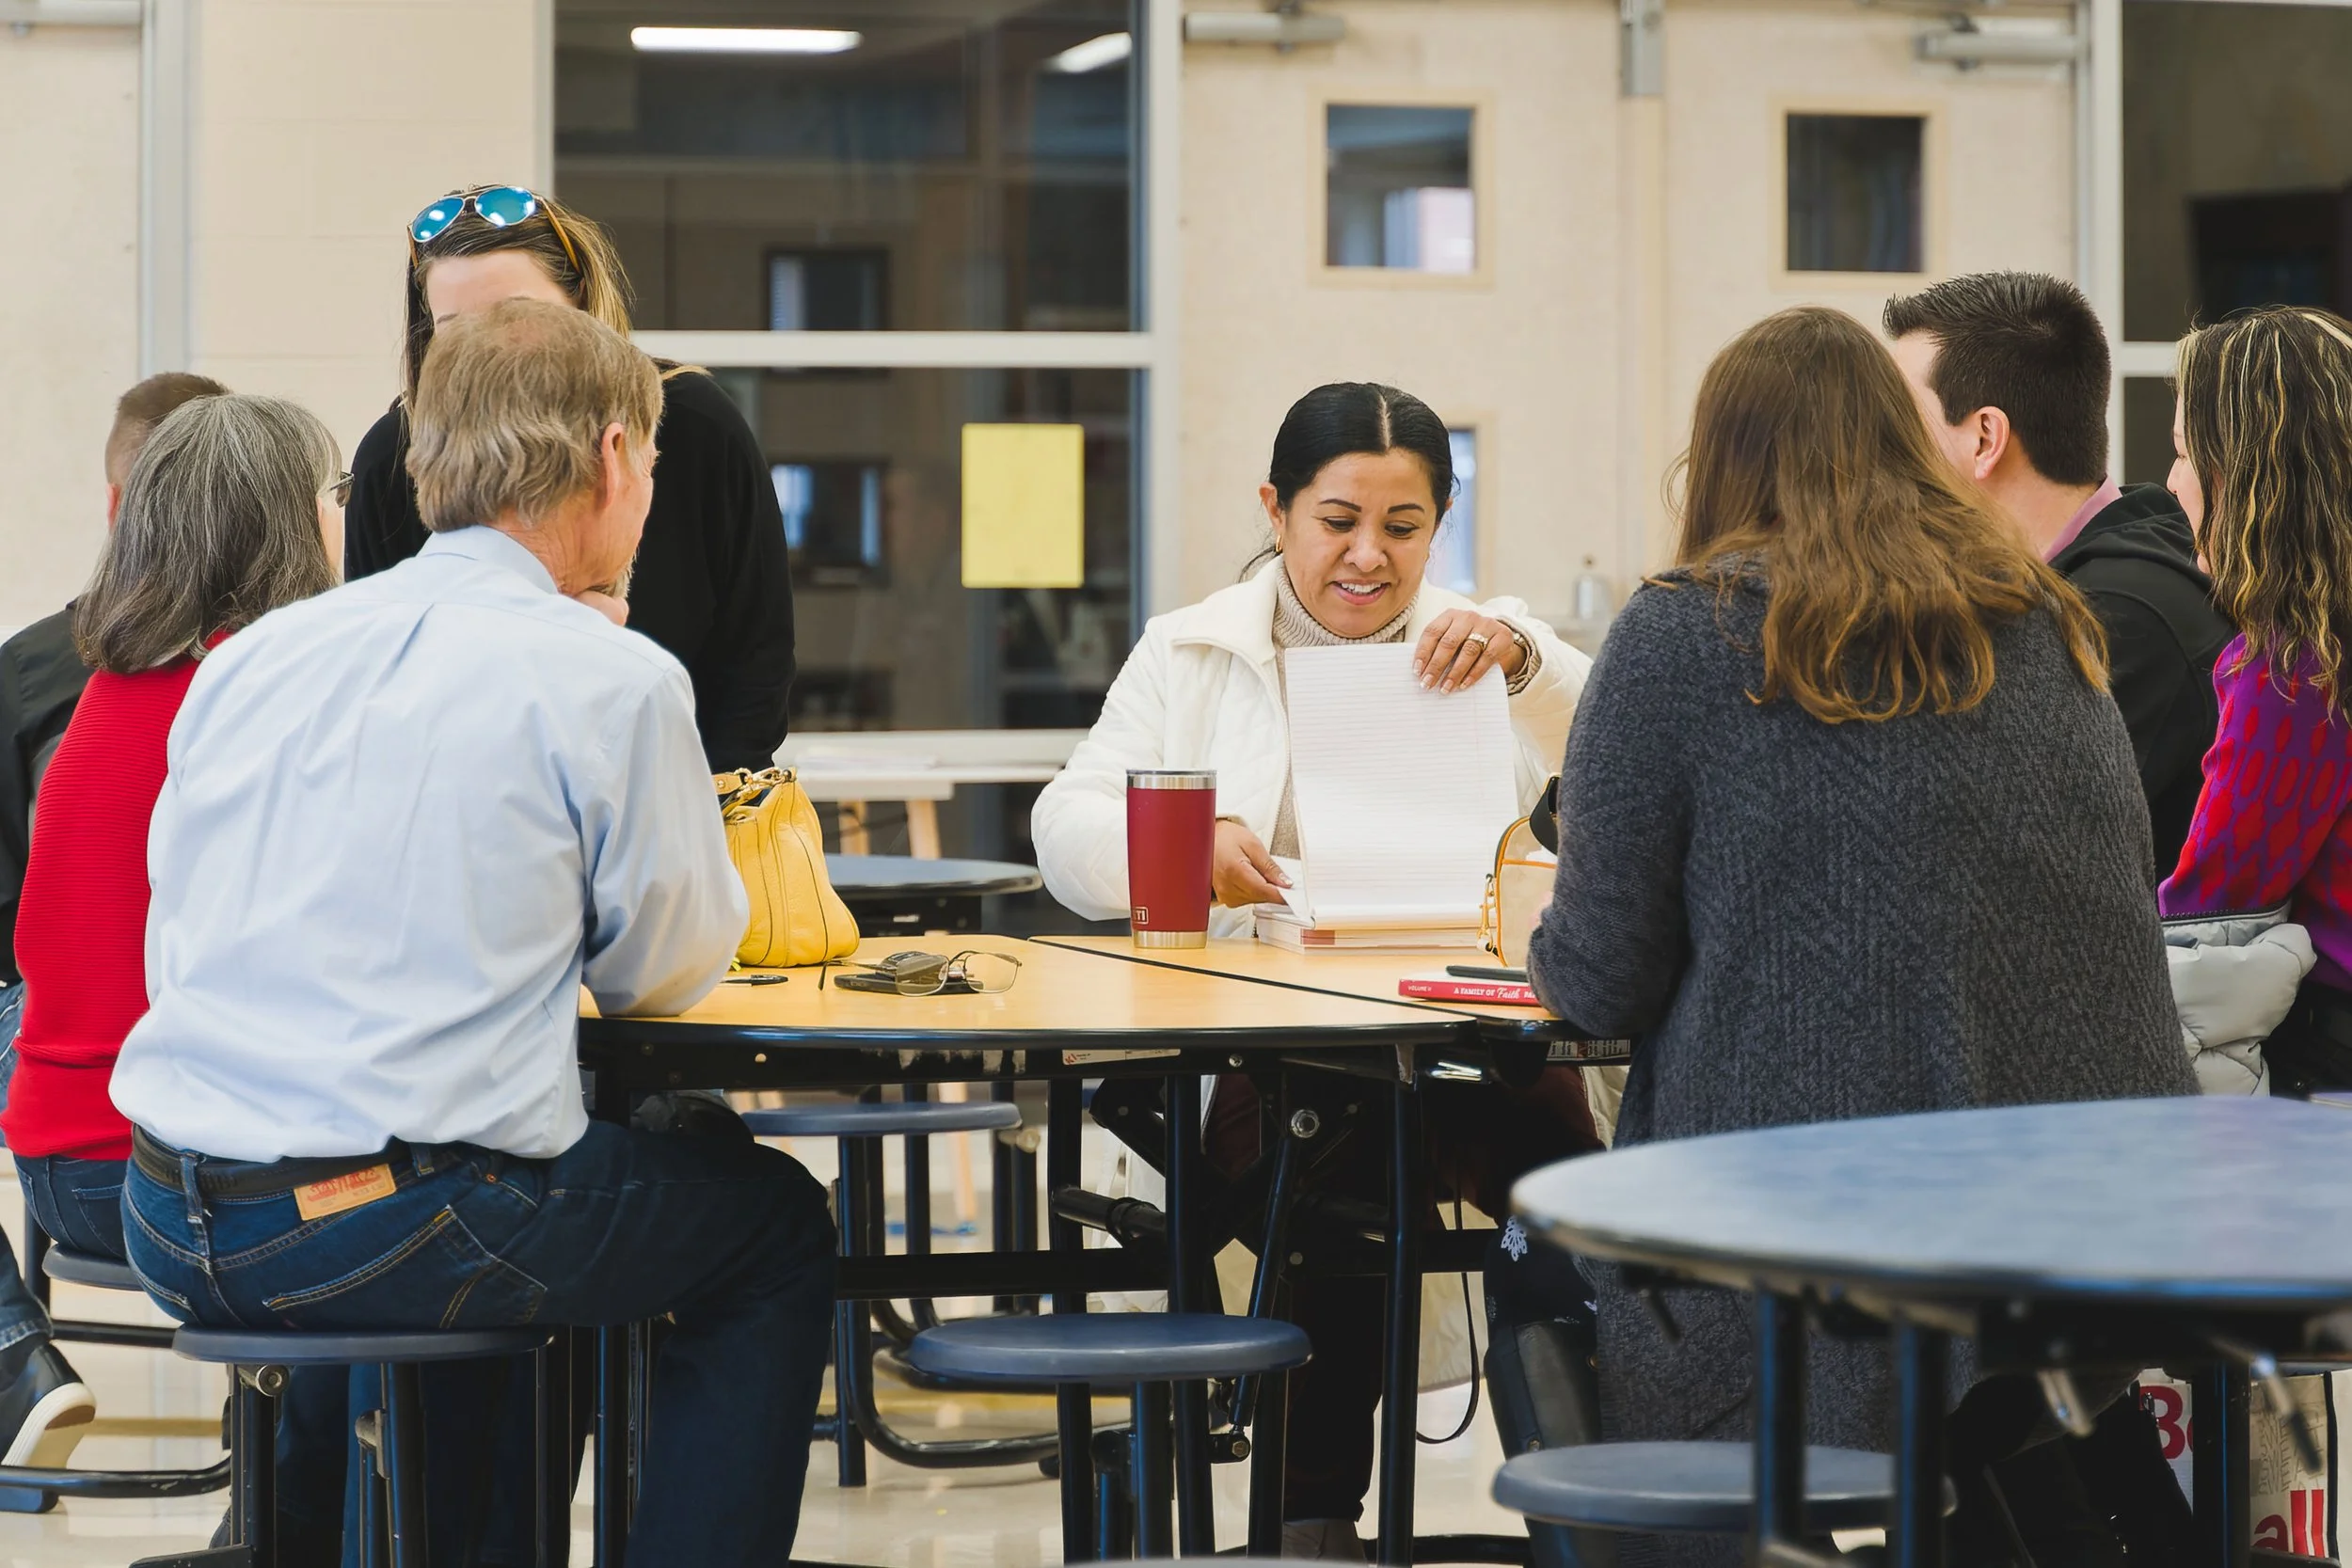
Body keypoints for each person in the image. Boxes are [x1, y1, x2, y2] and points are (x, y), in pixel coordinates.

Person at [110, 298, 833, 1568]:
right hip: (380, 1217)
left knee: (519, 1165)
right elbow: (668, 968)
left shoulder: (259, 656)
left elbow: (184, 927)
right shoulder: (612, 675)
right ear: (614, 457)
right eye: (654, 466)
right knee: (763, 1219)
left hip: (168, 1204)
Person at [1526, 307, 2196, 1568]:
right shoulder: (2048, 621)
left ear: (1718, 462)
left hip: (1829, 1256)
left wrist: (1535, 944)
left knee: (1532, 1268)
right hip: (2089, 1234)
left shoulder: (1685, 631)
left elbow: (1604, 973)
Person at [1033, 382, 1601, 1559]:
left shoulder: (1482, 643)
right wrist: (1183, 850)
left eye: (1402, 527)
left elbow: (1611, 747)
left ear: (1438, 526)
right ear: (1276, 509)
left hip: (1465, 1026)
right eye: (1336, 518)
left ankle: (1593, 1509)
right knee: (1337, 1158)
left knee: (1575, 1200)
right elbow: (1065, 821)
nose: (1366, 554)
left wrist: (1527, 658)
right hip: (1265, 1038)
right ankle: (1308, 1519)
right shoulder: (1190, 652)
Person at [345, 183, 794, 771]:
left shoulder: (693, 422)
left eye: (515, 317)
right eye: (457, 328)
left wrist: (700, 808)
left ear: (580, 301)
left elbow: (756, 653)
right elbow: (386, 680)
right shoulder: (393, 452)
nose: (491, 352)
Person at [0, 370, 226, 1471]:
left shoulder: (43, 669)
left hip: (88, 1096)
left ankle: (10, 1356)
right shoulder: (295, 669)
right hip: (251, 1108)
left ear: (114, 503)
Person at [1887, 273, 2233, 868]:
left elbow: (1982, 866)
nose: (1881, 449)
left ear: (1985, 439)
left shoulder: (2121, 618)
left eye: (1899, 421)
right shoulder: (2075, 586)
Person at [2160, 307, 2352, 1100]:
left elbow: (2212, 909)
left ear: (2250, 469)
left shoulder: (2295, 671)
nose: (2171, 480)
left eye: (2181, 453)